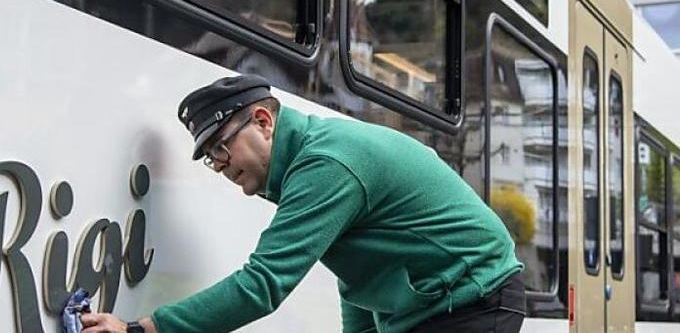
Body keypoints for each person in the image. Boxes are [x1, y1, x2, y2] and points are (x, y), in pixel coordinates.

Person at [82, 74, 526, 333]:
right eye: (211, 159)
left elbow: (263, 285)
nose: (220, 166)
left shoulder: (326, 163)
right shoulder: (309, 161)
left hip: (474, 295)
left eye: (220, 148)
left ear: (263, 121)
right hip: (440, 302)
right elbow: (357, 275)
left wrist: (143, 328)